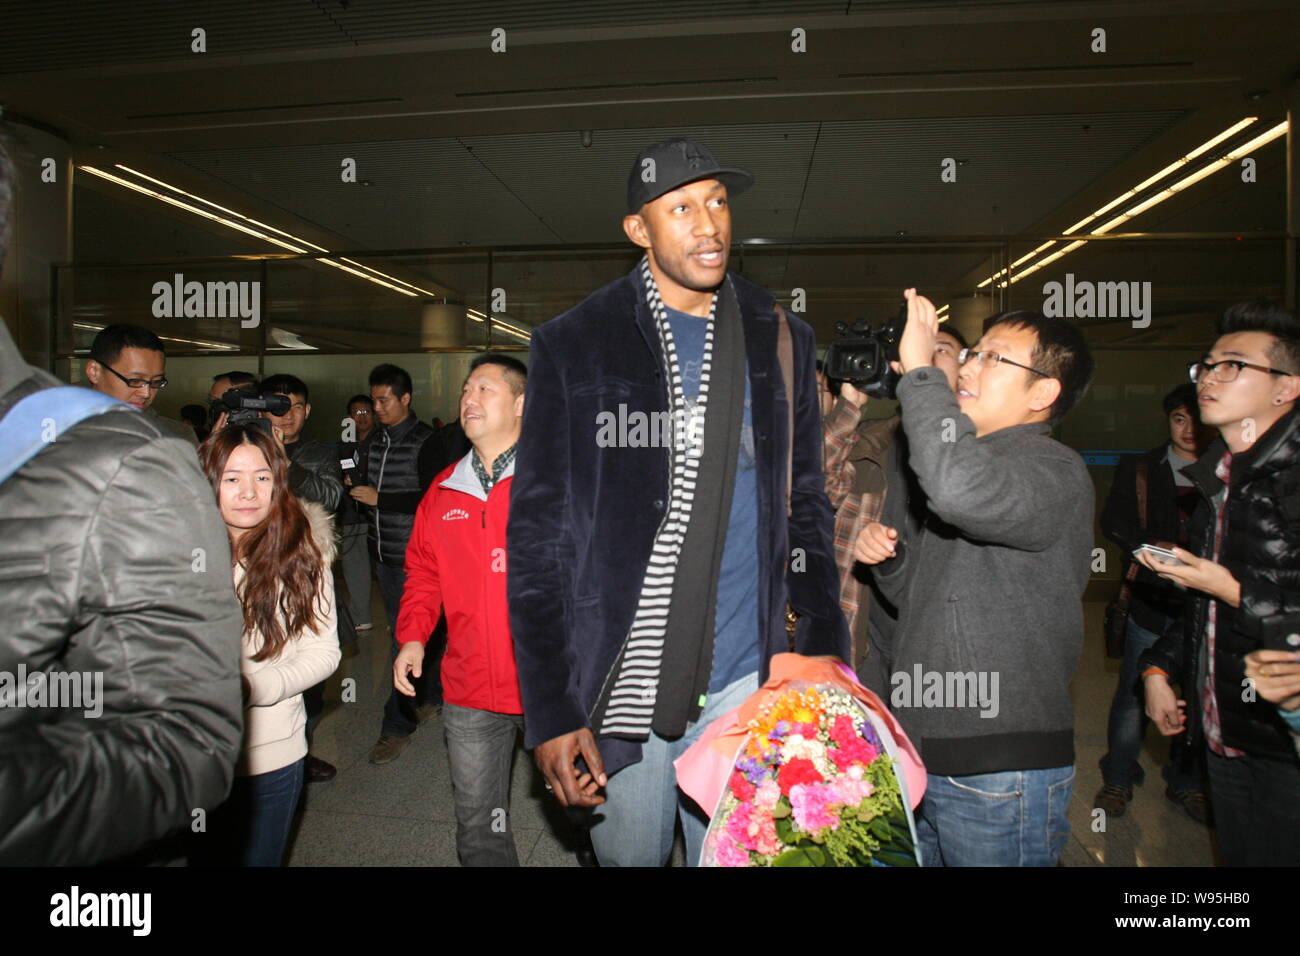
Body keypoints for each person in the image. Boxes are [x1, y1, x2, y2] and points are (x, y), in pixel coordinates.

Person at [508, 138, 848, 867]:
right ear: (640, 229)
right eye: (683, 207)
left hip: (745, 675)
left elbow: (807, 509)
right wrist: (552, 711)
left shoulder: (782, 338)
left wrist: (822, 653)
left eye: (719, 202)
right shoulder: (575, 343)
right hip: (617, 684)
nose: (709, 224)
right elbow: (539, 542)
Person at [0, 130, 244, 865]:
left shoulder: (125, 462)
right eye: (131, 382)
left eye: (154, 385)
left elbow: (187, 738)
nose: (144, 397)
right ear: (92, 370)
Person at [855, 298, 1095, 867]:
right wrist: (889, 562)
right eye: (972, 353)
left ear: (1043, 393)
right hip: (929, 751)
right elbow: (919, 600)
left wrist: (919, 375)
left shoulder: (1052, 468)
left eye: (994, 358)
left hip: (1000, 768)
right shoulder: (972, 466)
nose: (967, 367)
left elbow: (958, 487)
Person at [1139, 300, 1300, 866]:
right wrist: (1160, 669)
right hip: (1224, 727)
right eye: (1206, 365)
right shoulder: (1222, 478)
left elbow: (1232, 592)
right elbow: (1203, 608)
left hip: (1284, 740)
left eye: (1232, 365)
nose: (1209, 376)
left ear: (1287, 387)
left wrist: (1229, 588)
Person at [394, 355, 528, 865]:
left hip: (550, 685)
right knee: (477, 822)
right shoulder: (445, 489)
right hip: (469, 685)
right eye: (466, 390)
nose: (469, 399)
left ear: (520, 404)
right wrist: (412, 636)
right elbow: (424, 572)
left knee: (583, 810)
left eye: (485, 389)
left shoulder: (556, 483)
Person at [191, 424, 340, 866]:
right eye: (232, 478)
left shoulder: (302, 553)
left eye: (262, 477)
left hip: (270, 754)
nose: (249, 491)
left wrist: (255, 687)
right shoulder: (174, 554)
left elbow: (323, 652)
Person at [1095, 384, 1211, 824]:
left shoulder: (1225, 470)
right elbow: (1114, 522)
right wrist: (1149, 547)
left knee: (1197, 697)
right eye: (1178, 420)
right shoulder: (1142, 467)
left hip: (1204, 605)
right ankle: (1118, 777)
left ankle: (1187, 782)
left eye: (1194, 420)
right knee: (1133, 691)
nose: (1186, 430)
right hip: (1151, 597)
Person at [823, 325, 966, 681]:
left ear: (967, 370)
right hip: (867, 633)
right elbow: (812, 489)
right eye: (917, 350)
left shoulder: (982, 448)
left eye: (942, 350)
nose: (925, 357)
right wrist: (850, 404)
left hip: (946, 636)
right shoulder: (871, 442)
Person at [349, 363, 446, 764]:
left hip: (416, 559)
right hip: (383, 554)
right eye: (374, 399)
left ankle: (397, 725)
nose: (377, 406)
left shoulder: (427, 443)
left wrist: (381, 499)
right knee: (418, 636)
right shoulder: (374, 442)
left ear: (405, 399)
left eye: (384, 399)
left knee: (402, 639)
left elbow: (433, 500)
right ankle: (430, 696)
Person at [258, 373, 344, 782]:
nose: (286, 415)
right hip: (253, 575)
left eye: (294, 406)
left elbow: (330, 498)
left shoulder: (320, 453)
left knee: (308, 673)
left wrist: (284, 464)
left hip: (302, 579)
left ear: (307, 411)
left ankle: (299, 752)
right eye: (277, 405)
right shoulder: (244, 451)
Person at [84, 323, 197, 446]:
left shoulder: (177, 436)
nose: (146, 393)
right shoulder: (62, 427)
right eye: (135, 381)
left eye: (156, 382)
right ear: (94, 372)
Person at [338, 394, 376, 633]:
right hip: (353, 512)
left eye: (366, 412)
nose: (361, 417)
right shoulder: (345, 441)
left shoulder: (382, 440)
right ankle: (361, 615)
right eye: (356, 413)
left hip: (380, 512)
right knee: (355, 565)